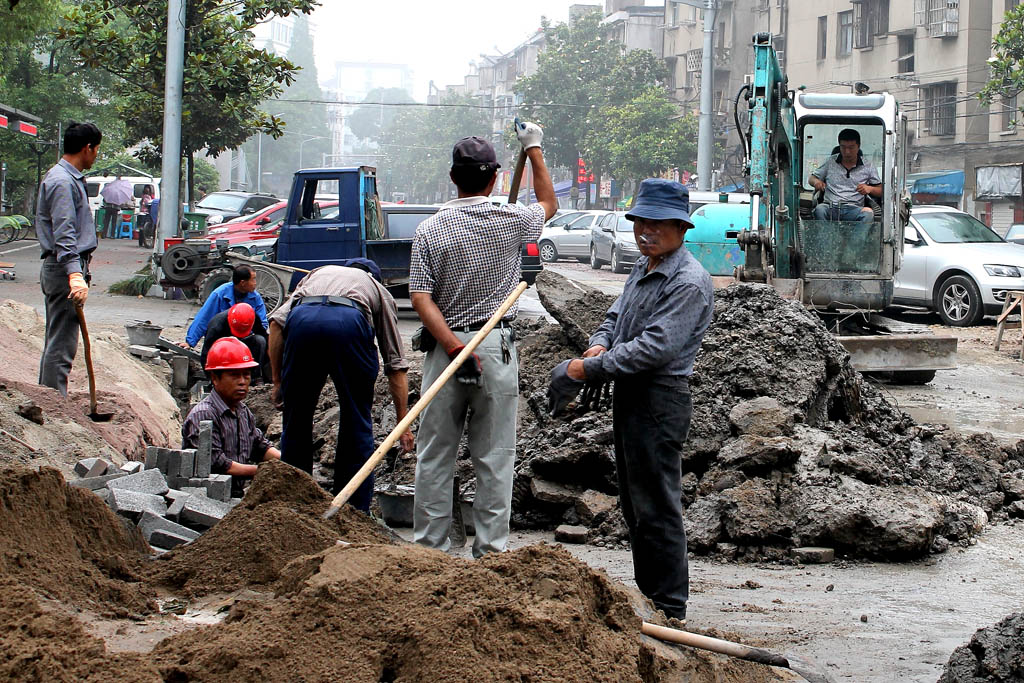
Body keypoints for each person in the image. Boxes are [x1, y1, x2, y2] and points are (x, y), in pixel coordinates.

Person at [548, 179, 713, 622]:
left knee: (657, 504)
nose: (646, 231)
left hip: (660, 400)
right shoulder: (644, 268)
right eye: (641, 222)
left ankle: (670, 607)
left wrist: (585, 370)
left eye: (657, 224)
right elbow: (615, 316)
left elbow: (655, 348)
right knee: (635, 503)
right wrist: (599, 345)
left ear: (681, 227)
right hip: (631, 394)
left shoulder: (688, 281)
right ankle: (651, 597)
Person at [409, 124, 556, 558]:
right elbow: (548, 202)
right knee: (494, 458)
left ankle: (431, 552)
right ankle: (491, 554)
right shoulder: (514, 221)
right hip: (494, 347)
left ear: (453, 177)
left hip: (444, 348)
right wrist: (534, 148)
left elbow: (420, 296)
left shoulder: (431, 229)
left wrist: (453, 346)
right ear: (494, 179)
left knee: (434, 456)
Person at [267, 260, 413, 512]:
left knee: (296, 417)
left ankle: (291, 506)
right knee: (356, 420)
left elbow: (276, 325)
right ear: (374, 277)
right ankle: (352, 509)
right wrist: (403, 423)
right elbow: (396, 364)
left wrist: (278, 382)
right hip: (349, 321)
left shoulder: (316, 274)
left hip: (303, 318)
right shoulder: (377, 290)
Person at [36, 121, 102, 396]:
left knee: (59, 339)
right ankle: (53, 407)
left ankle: (47, 399)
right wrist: (74, 274)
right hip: (63, 269)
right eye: (96, 149)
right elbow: (65, 233)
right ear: (87, 148)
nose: (96, 154)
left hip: (65, 267)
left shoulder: (66, 178)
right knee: (61, 345)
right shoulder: (62, 182)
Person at [182, 337, 281, 497]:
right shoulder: (204, 415)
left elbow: (259, 445)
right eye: (234, 375)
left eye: (246, 375)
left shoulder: (243, 412)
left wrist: (287, 463)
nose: (242, 382)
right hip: (207, 499)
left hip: (234, 494)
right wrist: (265, 472)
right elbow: (218, 464)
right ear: (215, 378)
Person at [181, 265, 268, 351]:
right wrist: (190, 342)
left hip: (245, 338)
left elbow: (262, 324)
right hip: (222, 338)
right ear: (243, 283)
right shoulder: (220, 294)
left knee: (260, 341)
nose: (255, 283)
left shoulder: (255, 297)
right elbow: (204, 318)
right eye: (253, 279)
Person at [809, 128, 882, 223]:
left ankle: (858, 238)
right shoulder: (830, 162)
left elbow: (881, 190)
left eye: (851, 148)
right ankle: (825, 237)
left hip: (855, 208)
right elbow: (812, 178)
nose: (847, 152)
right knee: (819, 209)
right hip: (830, 206)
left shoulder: (868, 166)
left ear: (858, 146)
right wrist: (816, 182)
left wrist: (870, 189)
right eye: (843, 147)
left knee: (868, 213)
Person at [199, 303, 267, 381]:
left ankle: (255, 377)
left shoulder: (252, 317)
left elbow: (263, 335)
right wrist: (212, 379)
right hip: (224, 351)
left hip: (243, 346)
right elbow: (206, 353)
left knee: (260, 340)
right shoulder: (216, 325)